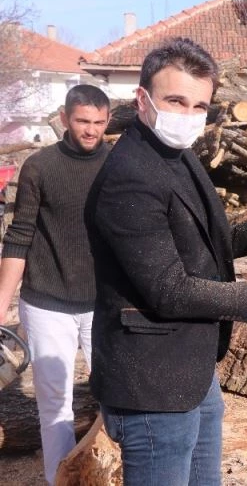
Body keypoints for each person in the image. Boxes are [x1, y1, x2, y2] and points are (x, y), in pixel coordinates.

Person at [85, 37, 247, 485]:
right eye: (176, 100)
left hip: (190, 369)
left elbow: (203, 242)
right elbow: (168, 290)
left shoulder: (176, 157)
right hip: (150, 385)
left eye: (199, 106)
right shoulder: (130, 177)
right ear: (143, 99)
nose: (187, 116)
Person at [0, 84, 110, 485]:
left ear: (108, 121)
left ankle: (115, 475)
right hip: (46, 302)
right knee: (55, 405)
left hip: (104, 302)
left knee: (116, 395)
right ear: (65, 118)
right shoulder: (39, 166)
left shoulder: (117, 165)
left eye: (99, 122)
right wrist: (1, 303)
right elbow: (20, 235)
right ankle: (59, 480)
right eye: (83, 121)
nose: (90, 130)